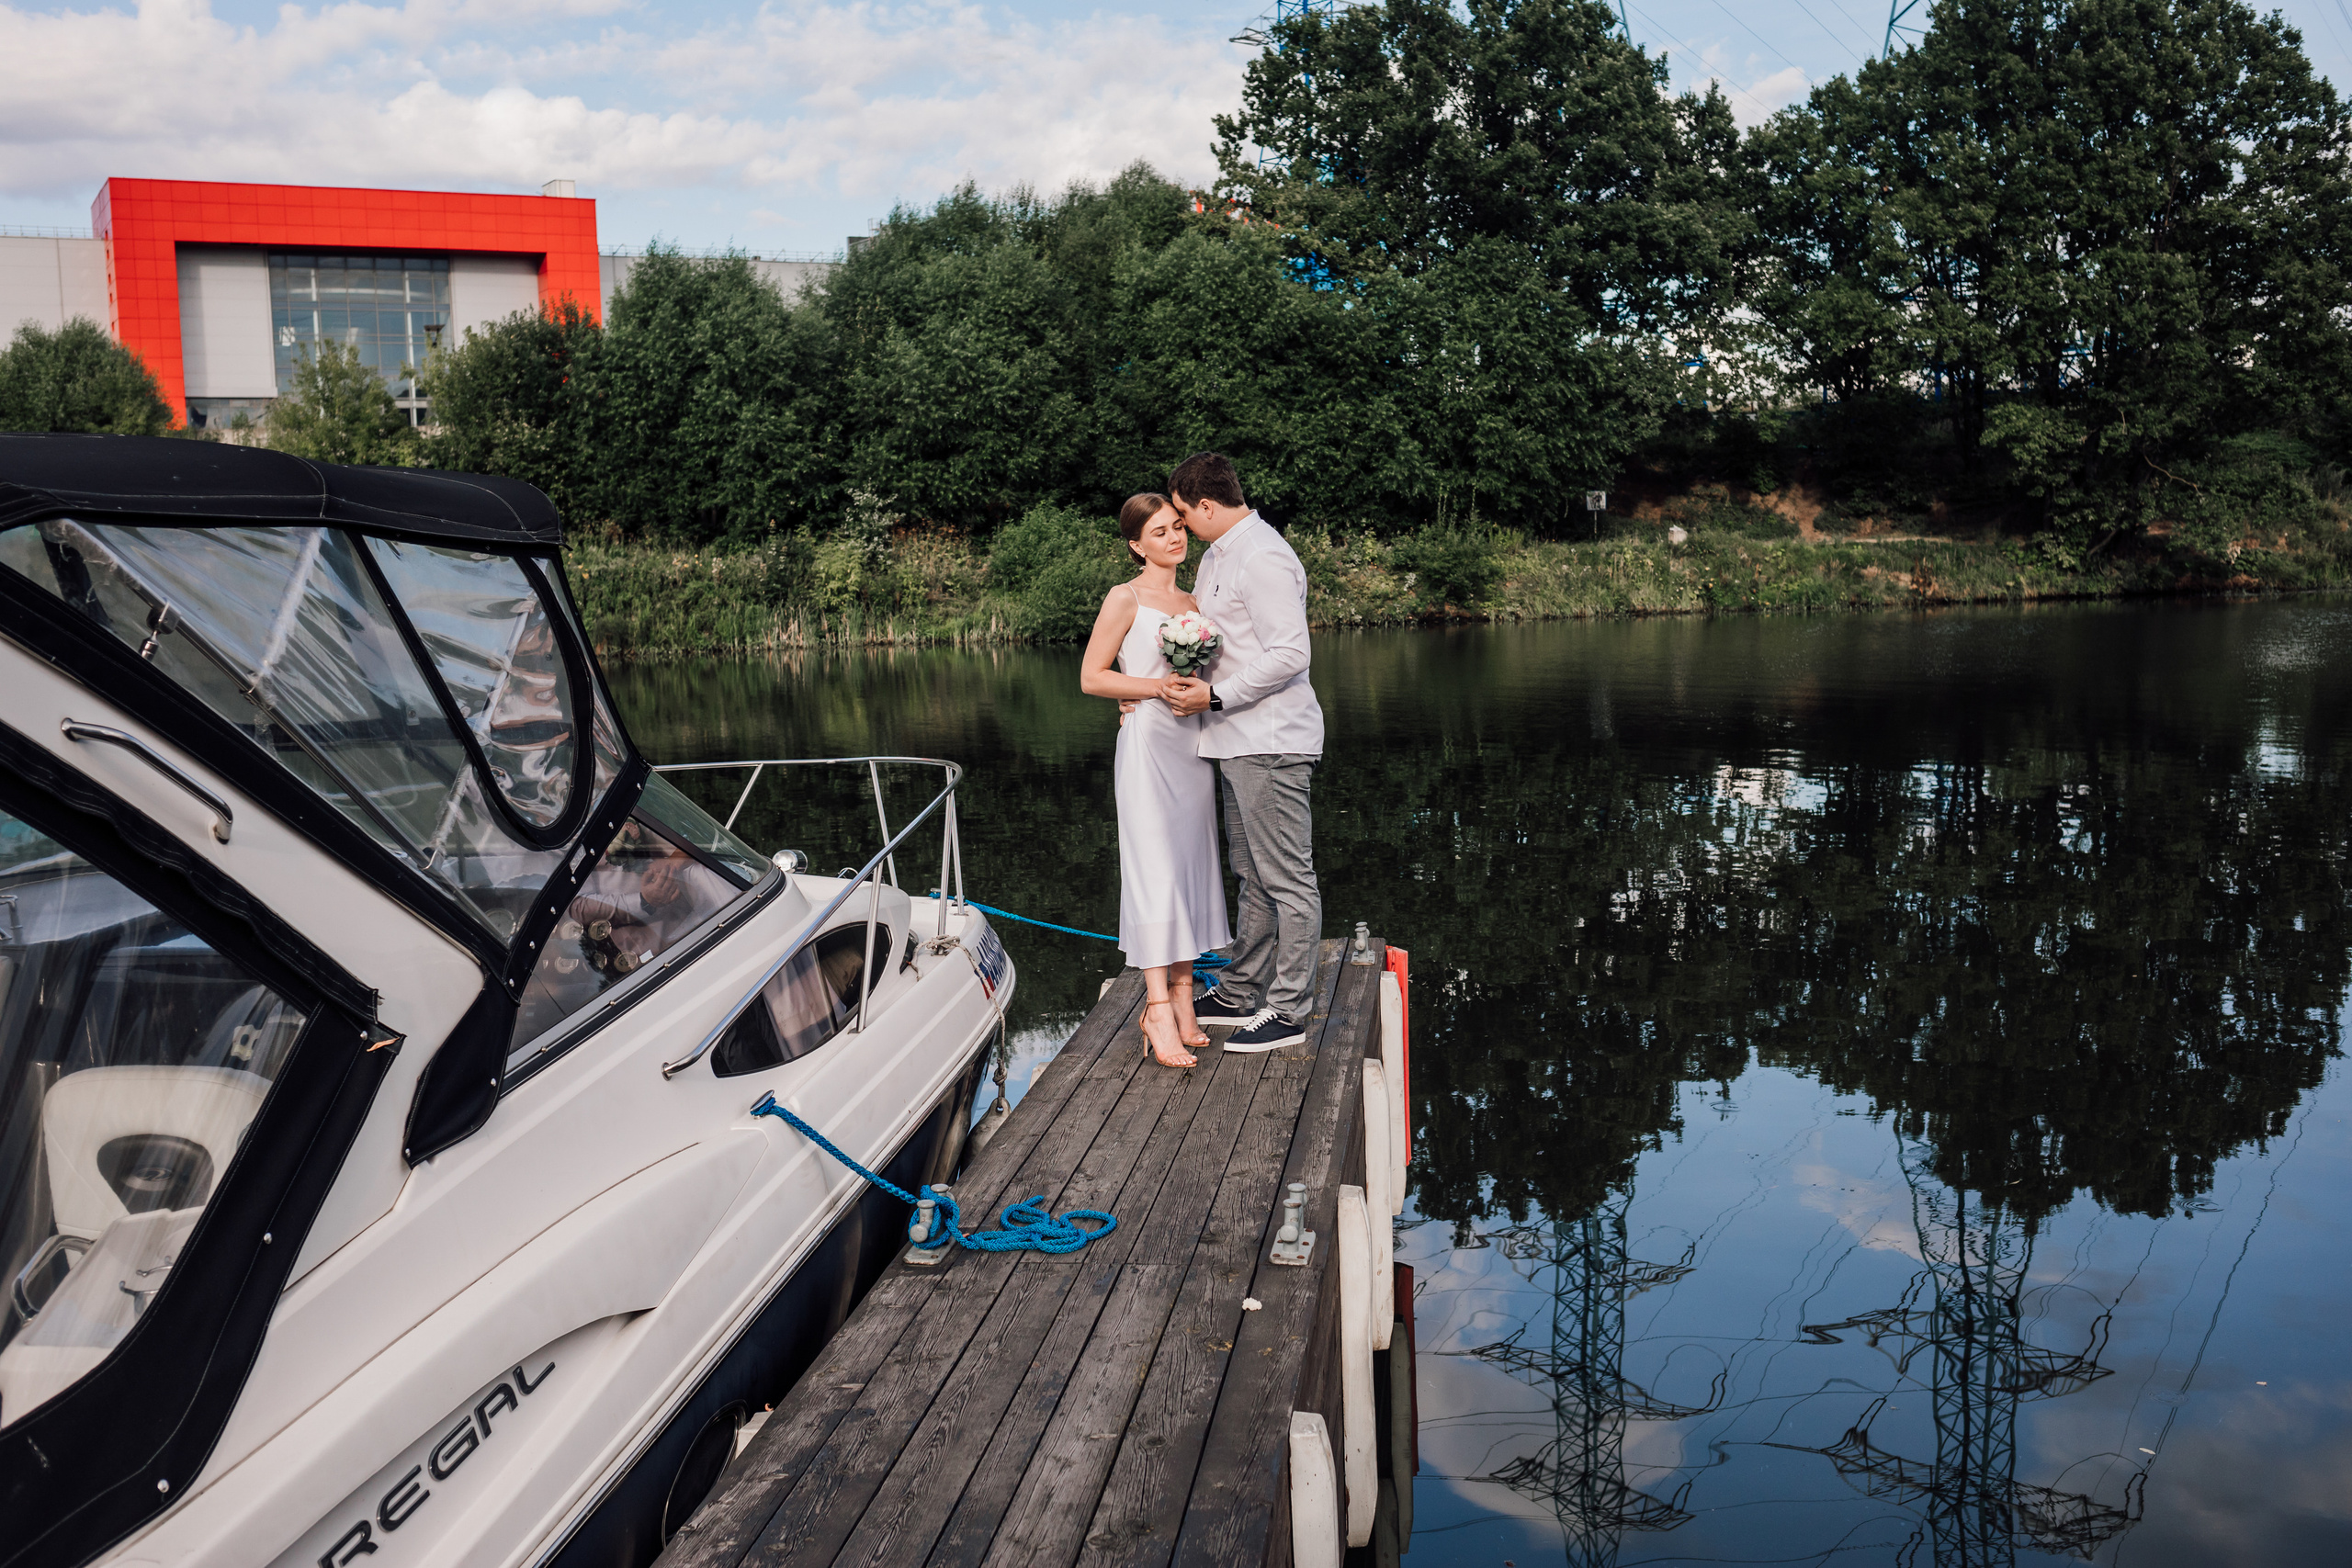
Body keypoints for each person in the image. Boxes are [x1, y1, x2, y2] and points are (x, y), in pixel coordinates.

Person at [1160, 453, 1323, 1052]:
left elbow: (1289, 654)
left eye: (1182, 513)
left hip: (1271, 740)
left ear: (1205, 504)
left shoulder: (1264, 557)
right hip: (1234, 740)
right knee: (1251, 873)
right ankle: (1238, 991)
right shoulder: (1218, 556)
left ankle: (1288, 1010)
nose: (1179, 525)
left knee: (1287, 877)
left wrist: (1218, 695)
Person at [1080, 492, 1233, 1067]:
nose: (1173, 538)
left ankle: (1187, 1002)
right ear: (1136, 545)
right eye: (1159, 532)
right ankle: (1156, 1009)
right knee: (1154, 867)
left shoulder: (1194, 602)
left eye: (1177, 528)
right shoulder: (1125, 598)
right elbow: (1093, 679)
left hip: (1190, 744)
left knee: (1192, 864)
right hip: (1147, 742)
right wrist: (1151, 690)